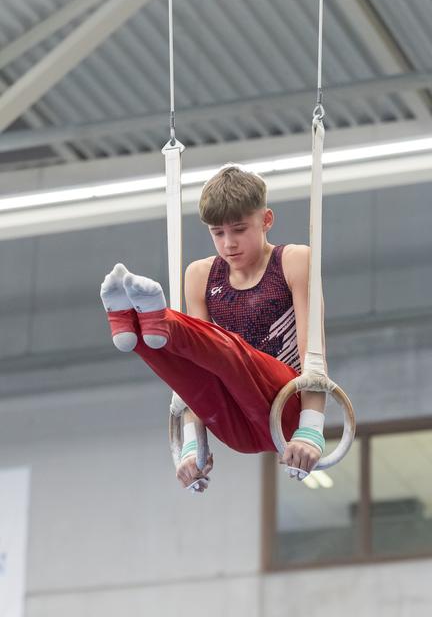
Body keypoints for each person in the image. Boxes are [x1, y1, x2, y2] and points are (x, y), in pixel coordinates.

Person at [100, 165, 327, 493]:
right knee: (187, 366)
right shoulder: (200, 275)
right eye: (217, 233)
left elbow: (313, 354)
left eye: (238, 229)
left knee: (228, 350)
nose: (229, 244)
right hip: (235, 423)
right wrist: (194, 446)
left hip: (285, 406)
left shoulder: (293, 261)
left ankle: (162, 319)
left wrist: (311, 428)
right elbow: (197, 375)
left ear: (266, 220)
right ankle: (132, 329)